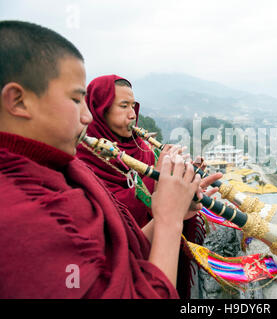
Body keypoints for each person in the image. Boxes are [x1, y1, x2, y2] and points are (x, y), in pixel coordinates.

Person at [0, 20, 207, 299]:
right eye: (75, 100)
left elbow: (127, 252)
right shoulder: (20, 219)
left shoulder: (63, 170)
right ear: (18, 101)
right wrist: (169, 221)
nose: (86, 117)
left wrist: (178, 209)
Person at [76, 74, 222, 298]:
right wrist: (159, 179)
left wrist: (184, 179)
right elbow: (112, 216)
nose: (133, 114)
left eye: (133, 106)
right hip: (125, 266)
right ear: (99, 110)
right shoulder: (84, 159)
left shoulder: (142, 147)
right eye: (123, 106)